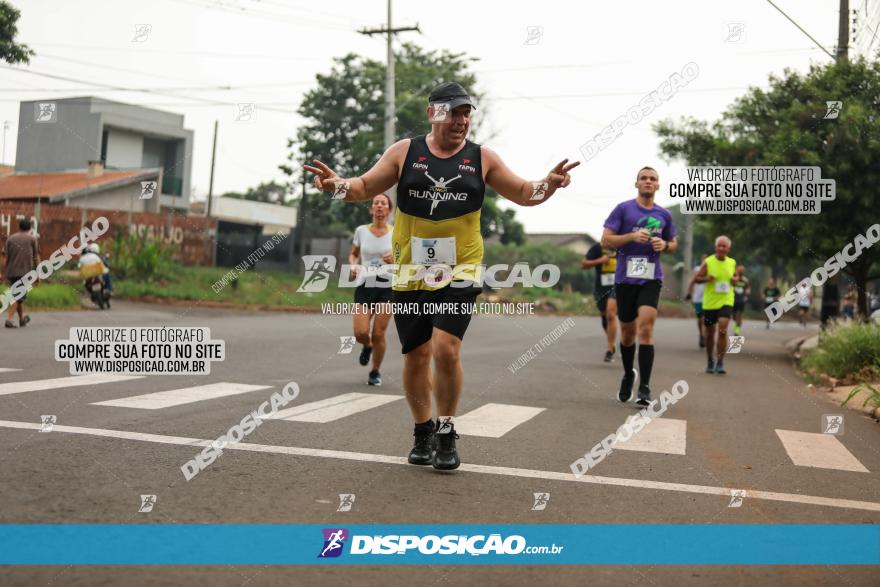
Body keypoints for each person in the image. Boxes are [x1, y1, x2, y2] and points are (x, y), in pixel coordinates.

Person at [305, 81, 579, 470]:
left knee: (446, 348)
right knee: (416, 355)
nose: (462, 121)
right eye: (454, 112)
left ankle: (447, 431)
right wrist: (336, 187)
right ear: (434, 113)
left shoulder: (482, 158)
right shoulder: (405, 152)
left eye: (467, 113)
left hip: (461, 269)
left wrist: (548, 185)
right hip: (410, 269)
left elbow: (522, 192)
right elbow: (362, 186)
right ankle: (423, 430)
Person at [602, 166, 677, 406]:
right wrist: (632, 237)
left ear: (658, 185)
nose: (648, 182)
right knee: (627, 334)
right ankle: (628, 374)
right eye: (643, 178)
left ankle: (644, 386)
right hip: (625, 279)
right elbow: (605, 240)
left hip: (651, 278)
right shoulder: (623, 209)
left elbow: (673, 243)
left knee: (645, 327)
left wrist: (664, 245)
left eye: (652, 179)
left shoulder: (664, 214)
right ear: (636, 184)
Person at [349, 194, 394, 386]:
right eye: (376, 203)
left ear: (389, 210)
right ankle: (367, 346)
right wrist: (353, 265)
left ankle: (375, 371)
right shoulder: (361, 231)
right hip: (365, 284)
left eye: (383, 203)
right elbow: (354, 254)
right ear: (371, 210)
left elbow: (409, 256)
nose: (379, 206)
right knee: (360, 332)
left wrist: (397, 258)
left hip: (388, 286)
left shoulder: (397, 232)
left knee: (378, 334)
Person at [694, 236, 736, 374]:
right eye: (719, 245)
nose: (722, 248)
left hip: (726, 300)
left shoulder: (732, 262)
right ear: (715, 247)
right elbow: (697, 279)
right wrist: (707, 278)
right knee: (710, 333)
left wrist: (734, 279)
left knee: (723, 329)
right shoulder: (708, 262)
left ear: (728, 249)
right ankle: (710, 361)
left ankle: (720, 362)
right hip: (710, 302)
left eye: (724, 246)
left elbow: (735, 277)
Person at [581, 243, 617, 362]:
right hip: (601, 288)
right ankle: (611, 341)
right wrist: (600, 260)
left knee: (611, 314)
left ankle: (610, 348)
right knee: (604, 316)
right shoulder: (597, 248)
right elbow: (584, 264)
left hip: (618, 286)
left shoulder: (623, 246)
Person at [1, 218, 40, 328]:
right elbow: (36, 257)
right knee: (18, 296)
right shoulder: (32, 239)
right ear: (30, 228)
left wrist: (1, 272)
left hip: (11, 272)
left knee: (18, 295)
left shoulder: (10, 239)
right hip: (25, 273)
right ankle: (9, 319)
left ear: (19, 227)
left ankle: (22, 319)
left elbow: (4, 257)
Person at [685, 254, 708, 347]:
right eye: (703, 259)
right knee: (700, 318)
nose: (705, 261)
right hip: (697, 298)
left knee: (706, 319)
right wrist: (689, 293)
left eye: (706, 260)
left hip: (708, 299)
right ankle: (701, 335)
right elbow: (692, 281)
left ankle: (705, 336)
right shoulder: (697, 269)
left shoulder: (712, 270)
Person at [731, 263, 750, 336]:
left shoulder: (745, 280)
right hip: (733, 299)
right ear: (736, 268)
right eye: (740, 269)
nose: (741, 271)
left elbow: (748, 287)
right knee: (734, 317)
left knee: (739, 315)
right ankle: (736, 323)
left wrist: (747, 292)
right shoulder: (732, 277)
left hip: (741, 300)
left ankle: (737, 330)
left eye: (742, 270)